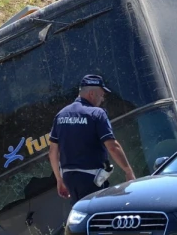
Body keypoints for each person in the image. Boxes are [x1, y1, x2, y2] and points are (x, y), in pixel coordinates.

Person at [48, 74, 136, 204]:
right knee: (101, 217)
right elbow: (113, 146)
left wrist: (59, 180)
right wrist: (128, 171)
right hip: (92, 179)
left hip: (69, 179)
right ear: (91, 94)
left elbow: (52, 152)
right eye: (101, 94)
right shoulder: (97, 113)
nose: (102, 99)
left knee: (84, 217)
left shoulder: (61, 115)